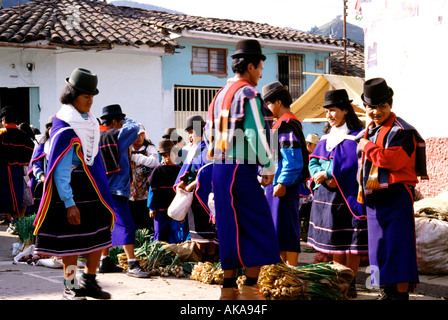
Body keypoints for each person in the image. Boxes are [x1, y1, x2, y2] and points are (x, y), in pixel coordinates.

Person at [206, 39, 281, 300]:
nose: (261, 74)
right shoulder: (247, 93)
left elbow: (208, 133)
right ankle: (250, 286)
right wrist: (269, 165)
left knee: (228, 226)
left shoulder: (219, 96)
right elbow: (257, 133)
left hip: (220, 167)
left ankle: (228, 288)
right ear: (250, 66)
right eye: (260, 68)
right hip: (241, 168)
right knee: (258, 224)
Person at [33, 68, 115, 300]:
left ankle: (89, 281)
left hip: (91, 187)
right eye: (85, 96)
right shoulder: (65, 124)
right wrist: (69, 202)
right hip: (69, 189)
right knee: (69, 243)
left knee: (98, 235)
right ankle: (70, 284)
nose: (90, 101)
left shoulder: (88, 121)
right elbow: (60, 169)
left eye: (92, 96)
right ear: (72, 95)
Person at [357, 78, 428, 300]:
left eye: (382, 107)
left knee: (398, 246)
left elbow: (392, 161)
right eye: (371, 107)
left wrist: (366, 145)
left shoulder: (403, 131)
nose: (376, 112)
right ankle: (386, 291)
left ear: (390, 105)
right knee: (378, 248)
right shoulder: (370, 130)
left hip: (397, 196)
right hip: (375, 197)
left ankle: (399, 295)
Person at [306, 89, 368, 298]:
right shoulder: (326, 137)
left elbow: (352, 164)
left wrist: (329, 172)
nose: (329, 115)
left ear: (344, 110)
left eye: (333, 110)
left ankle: (350, 283)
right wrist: (317, 174)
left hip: (347, 197)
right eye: (327, 112)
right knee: (335, 242)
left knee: (351, 242)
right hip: (327, 197)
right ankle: (338, 281)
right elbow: (313, 160)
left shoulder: (356, 136)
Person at [98, 104, 150, 278]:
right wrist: (125, 119)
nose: (123, 125)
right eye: (120, 121)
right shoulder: (116, 137)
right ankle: (132, 264)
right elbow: (135, 128)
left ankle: (104, 261)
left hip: (102, 189)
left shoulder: (99, 136)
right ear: (114, 122)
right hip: (116, 190)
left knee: (106, 225)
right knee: (128, 225)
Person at [262, 81, 309, 267]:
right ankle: (280, 271)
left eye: (269, 104)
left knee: (286, 230)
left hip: (284, 187)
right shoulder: (279, 125)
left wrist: (282, 183)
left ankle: (291, 273)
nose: (267, 109)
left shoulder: (287, 125)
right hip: (275, 185)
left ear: (278, 102)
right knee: (277, 230)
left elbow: (293, 159)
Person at [174, 115, 217, 260]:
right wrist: (183, 183)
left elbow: (210, 170)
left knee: (210, 237)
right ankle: (201, 263)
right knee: (198, 235)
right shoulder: (192, 150)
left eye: (192, 132)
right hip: (194, 198)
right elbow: (185, 170)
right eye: (189, 133)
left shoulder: (210, 148)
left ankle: (209, 263)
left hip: (207, 196)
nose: (190, 136)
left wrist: (193, 184)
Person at [0, 107, 35, 233]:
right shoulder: (24, 136)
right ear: (15, 120)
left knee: (9, 198)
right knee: (18, 197)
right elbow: (30, 148)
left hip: (4, 170)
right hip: (19, 170)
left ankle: (14, 223)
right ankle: (16, 223)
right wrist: (23, 162)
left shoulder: (2, 135)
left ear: (4, 120)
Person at [147, 139, 185, 242]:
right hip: (160, 210)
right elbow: (152, 190)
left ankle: (174, 255)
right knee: (160, 234)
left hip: (176, 209)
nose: (167, 159)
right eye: (164, 156)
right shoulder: (157, 170)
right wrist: (152, 207)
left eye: (170, 155)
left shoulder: (180, 170)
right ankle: (160, 254)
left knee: (176, 234)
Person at [129, 123, 159, 231]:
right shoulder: (127, 147)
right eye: (137, 135)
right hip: (130, 192)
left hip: (145, 191)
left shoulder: (149, 148)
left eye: (142, 134)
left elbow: (154, 162)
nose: (140, 137)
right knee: (132, 222)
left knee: (145, 223)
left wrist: (134, 157)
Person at [28, 115, 54, 214]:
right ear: (47, 130)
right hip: (44, 184)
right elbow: (35, 164)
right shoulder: (42, 145)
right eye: (51, 128)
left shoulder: (64, 146)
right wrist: (42, 177)